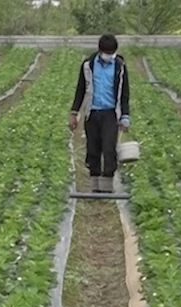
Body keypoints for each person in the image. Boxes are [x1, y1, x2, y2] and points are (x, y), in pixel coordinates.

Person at [70, 34, 131, 193]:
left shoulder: (119, 66)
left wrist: (125, 116)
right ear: (100, 50)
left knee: (109, 148)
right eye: (107, 52)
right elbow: (80, 90)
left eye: (112, 52)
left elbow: (124, 93)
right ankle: (95, 187)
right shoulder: (88, 65)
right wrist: (74, 113)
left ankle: (107, 187)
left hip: (111, 114)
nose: (109, 55)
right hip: (92, 113)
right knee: (93, 149)